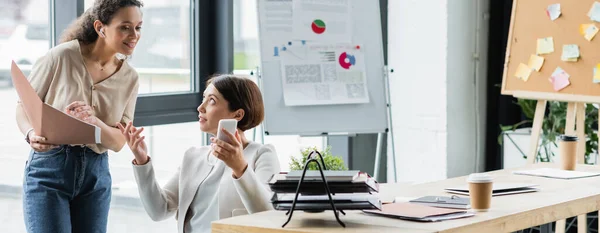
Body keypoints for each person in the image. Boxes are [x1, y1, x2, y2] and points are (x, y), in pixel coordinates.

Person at [15, 0, 143, 232]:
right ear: (100, 27)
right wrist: (31, 133)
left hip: (96, 176)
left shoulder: (130, 78)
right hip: (49, 170)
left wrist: (94, 122)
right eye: (125, 27)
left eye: (138, 27)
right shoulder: (60, 57)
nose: (134, 35)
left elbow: (118, 142)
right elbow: (23, 107)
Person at [118, 75, 281, 233]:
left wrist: (240, 168)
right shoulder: (193, 157)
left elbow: (268, 216)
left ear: (237, 114)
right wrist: (142, 161)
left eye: (211, 101)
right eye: (204, 98)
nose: (200, 107)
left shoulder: (261, 154)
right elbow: (159, 210)